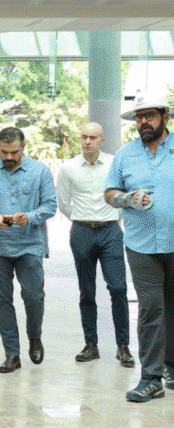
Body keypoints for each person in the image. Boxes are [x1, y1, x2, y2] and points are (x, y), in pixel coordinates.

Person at [0, 127, 57, 374]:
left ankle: (35, 336)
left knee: (34, 295)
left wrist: (28, 217)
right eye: (4, 152)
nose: (8, 157)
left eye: (14, 152)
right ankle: (11, 353)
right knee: (2, 301)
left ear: (23, 147)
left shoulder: (40, 171)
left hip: (30, 244)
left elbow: (50, 206)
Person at [105, 91, 174, 402]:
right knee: (150, 309)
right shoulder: (124, 155)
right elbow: (109, 193)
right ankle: (151, 377)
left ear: (164, 117)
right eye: (139, 116)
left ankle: (171, 366)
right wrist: (126, 199)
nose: (144, 121)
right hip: (141, 245)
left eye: (150, 115)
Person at [57, 122, 132, 367]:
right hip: (81, 231)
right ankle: (91, 344)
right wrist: (81, 220)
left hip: (110, 230)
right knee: (86, 291)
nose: (88, 141)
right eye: (84, 137)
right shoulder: (68, 168)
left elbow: (121, 197)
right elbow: (64, 203)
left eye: (93, 137)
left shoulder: (114, 163)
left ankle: (123, 346)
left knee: (118, 288)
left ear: (102, 140)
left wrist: (110, 220)